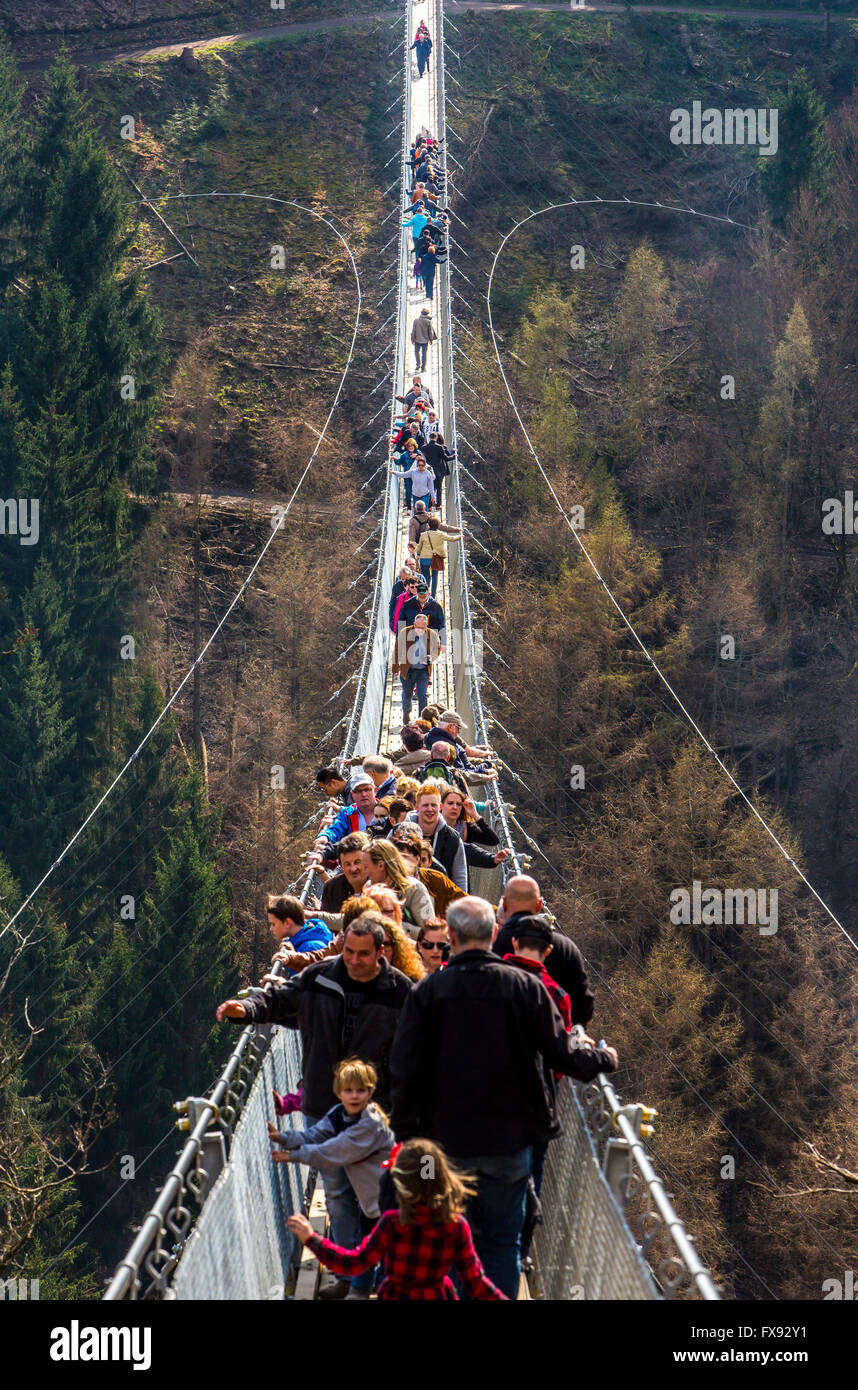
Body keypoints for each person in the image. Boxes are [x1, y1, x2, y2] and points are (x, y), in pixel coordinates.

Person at [390, 896, 618, 1299]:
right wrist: (603, 1057)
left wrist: (408, 1136)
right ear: (495, 935)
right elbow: (563, 1053)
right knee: (502, 1242)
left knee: (448, 1240)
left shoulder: (427, 992)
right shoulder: (525, 988)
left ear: (452, 938)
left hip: (444, 1148)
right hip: (509, 1143)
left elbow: (404, 1068)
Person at [217, 916, 412, 1257]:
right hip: (323, 1102)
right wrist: (246, 1009)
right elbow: (279, 1000)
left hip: (379, 1110)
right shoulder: (321, 977)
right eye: (348, 951)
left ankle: (374, 1269)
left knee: (376, 1193)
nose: (352, 960)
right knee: (335, 1190)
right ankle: (347, 1269)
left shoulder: (401, 992)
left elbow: (417, 1051)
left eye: (362, 954)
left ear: (381, 952)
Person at [286, 1138, 506, 1300]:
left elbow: (353, 1263)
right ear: (443, 1179)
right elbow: (475, 1281)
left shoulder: (393, 1224)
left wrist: (312, 1239)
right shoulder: (455, 1227)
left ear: (401, 1183)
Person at [270, 1057, 394, 1300]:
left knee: (386, 1250)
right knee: (366, 1245)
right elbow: (316, 1135)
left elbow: (334, 1150)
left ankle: (376, 1287)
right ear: (338, 1093)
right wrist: (284, 1138)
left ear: (371, 1092)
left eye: (362, 1090)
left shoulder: (371, 1124)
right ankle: (358, 1287)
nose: (355, 1096)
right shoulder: (339, 1115)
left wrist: (293, 1156)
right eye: (349, 1090)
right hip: (373, 1201)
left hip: (391, 1198)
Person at [501, 913, 573, 1261]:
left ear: (514, 943)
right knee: (533, 1169)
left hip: (488, 1099)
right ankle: (522, 1249)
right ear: (548, 950)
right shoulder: (557, 994)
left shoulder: (493, 980)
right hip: (536, 1105)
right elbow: (561, 1056)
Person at [492, 875, 594, 1025]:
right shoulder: (566, 948)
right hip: (554, 1043)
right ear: (539, 906)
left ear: (504, 904)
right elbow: (583, 1009)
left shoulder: (490, 946)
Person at [388, 823, 466, 918]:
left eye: (405, 856)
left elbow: (464, 902)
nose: (400, 861)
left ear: (417, 858)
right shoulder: (384, 881)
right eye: (397, 856)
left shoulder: (435, 878)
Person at [362, 838, 434, 936]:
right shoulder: (368, 887)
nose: (364, 871)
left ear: (381, 866)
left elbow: (430, 932)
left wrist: (395, 924)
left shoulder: (414, 889)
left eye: (366, 867)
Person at [439, 786, 511, 878]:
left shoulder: (465, 828)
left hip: (457, 879)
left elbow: (493, 840)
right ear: (441, 805)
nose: (454, 807)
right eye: (450, 803)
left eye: (458, 804)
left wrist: (475, 815)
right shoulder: (432, 824)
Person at [406, 783, 467, 891]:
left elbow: (460, 877)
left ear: (440, 807)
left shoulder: (452, 838)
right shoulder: (400, 832)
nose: (430, 809)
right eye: (425, 805)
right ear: (417, 807)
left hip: (439, 898)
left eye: (433, 805)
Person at [312, 774, 387, 863]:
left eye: (367, 789)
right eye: (358, 791)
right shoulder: (347, 813)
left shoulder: (387, 809)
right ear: (352, 794)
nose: (363, 794)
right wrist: (325, 837)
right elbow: (336, 828)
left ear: (375, 790)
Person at [265, 893, 332, 975]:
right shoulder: (302, 939)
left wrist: (291, 960)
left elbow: (314, 983)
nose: (271, 929)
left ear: (287, 923)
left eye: (273, 924)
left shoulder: (311, 948)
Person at [394, 612, 440, 724]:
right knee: (407, 694)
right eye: (419, 627)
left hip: (423, 670)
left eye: (423, 627)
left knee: (422, 695)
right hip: (407, 670)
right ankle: (406, 714)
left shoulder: (431, 634)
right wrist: (395, 669)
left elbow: (437, 650)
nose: (421, 629)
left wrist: (431, 657)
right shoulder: (405, 632)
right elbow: (396, 651)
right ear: (414, 624)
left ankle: (422, 720)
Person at [319, 831, 371, 913]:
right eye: (347, 864)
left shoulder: (377, 885)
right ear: (341, 866)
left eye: (357, 862)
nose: (353, 869)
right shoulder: (332, 888)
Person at [416, 516, 461, 597]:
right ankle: (433, 595)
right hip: (435, 558)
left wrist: (418, 554)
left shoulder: (423, 535)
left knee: (424, 576)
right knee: (434, 576)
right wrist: (460, 536)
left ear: (429, 525)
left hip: (424, 558)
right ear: (438, 525)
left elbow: (419, 547)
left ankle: (424, 593)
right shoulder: (440, 534)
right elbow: (451, 539)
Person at [397, 578, 446, 649]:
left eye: (424, 594)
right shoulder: (407, 604)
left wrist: (443, 642)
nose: (422, 596)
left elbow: (442, 625)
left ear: (428, 592)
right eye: (420, 594)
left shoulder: (436, 606)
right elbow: (401, 622)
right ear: (417, 592)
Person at [420, 236, 446, 304]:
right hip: (431, 272)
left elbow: (421, 264)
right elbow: (440, 261)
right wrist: (446, 259)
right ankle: (430, 296)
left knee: (426, 283)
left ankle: (427, 294)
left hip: (424, 271)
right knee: (430, 284)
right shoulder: (434, 257)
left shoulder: (424, 257)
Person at [411, 307, 437, 371]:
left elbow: (413, 331)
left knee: (417, 352)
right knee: (424, 354)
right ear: (427, 314)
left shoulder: (416, 320)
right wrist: (431, 340)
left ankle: (418, 364)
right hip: (425, 341)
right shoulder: (428, 321)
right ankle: (423, 368)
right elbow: (430, 332)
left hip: (417, 339)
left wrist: (412, 339)